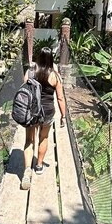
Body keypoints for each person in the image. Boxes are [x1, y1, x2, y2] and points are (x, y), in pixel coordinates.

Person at [21, 46, 68, 190]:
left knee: (29, 140)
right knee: (44, 138)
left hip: (32, 111)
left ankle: (27, 170)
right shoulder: (55, 75)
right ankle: (39, 165)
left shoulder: (30, 72)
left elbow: (24, 91)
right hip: (47, 112)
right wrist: (63, 116)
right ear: (51, 60)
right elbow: (60, 98)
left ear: (38, 57)